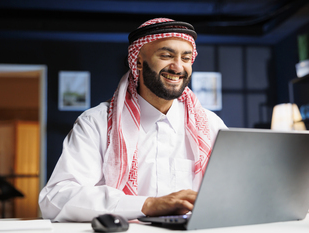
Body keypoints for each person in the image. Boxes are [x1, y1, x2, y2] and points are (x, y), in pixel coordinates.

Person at [39, 18, 227, 222]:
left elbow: (234, 191)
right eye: (166, 55)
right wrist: (148, 205)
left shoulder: (211, 125)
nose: (178, 67)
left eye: (186, 58)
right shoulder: (96, 123)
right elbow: (54, 199)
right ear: (137, 61)